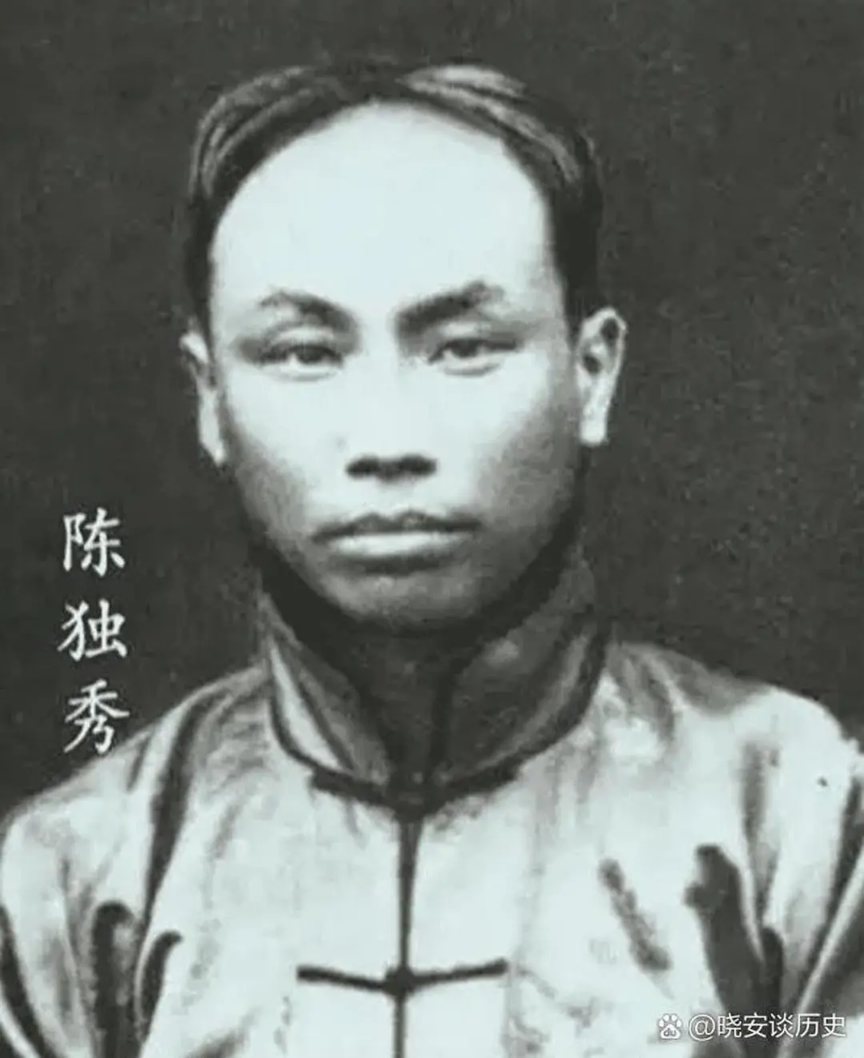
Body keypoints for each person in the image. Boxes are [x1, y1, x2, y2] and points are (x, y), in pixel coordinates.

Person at [0, 56, 862, 1058]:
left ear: (591, 372)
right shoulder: (74, 875)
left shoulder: (799, 819)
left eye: (463, 345)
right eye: (304, 353)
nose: (387, 437)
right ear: (209, 396)